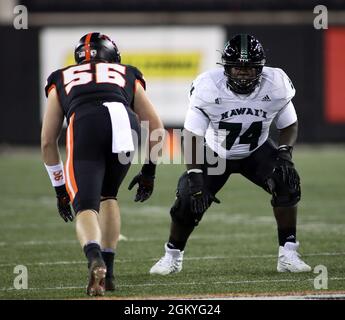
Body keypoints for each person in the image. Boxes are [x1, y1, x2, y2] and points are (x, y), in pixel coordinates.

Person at [150, 34, 311, 276]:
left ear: (260, 67)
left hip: (256, 150)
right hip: (216, 154)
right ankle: (172, 255)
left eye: (249, 68)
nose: (243, 73)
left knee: (286, 179)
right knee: (187, 196)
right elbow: (192, 135)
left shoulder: (275, 83)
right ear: (226, 67)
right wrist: (194, 175)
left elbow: (289, 124)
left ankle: (288, 253)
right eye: (238, 67)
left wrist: (284, 154)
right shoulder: (207, 86)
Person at [41, 32, 164, 296]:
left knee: (85, 205)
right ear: (112, 56)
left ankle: (94, 257)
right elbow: (156, 127)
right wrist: (149, 171)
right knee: (108, 195)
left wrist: (60, 189)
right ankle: (109, 272)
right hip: (123, 122)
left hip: (86, 122)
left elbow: (48, 141)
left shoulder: (61, 76)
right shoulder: (126, 72)